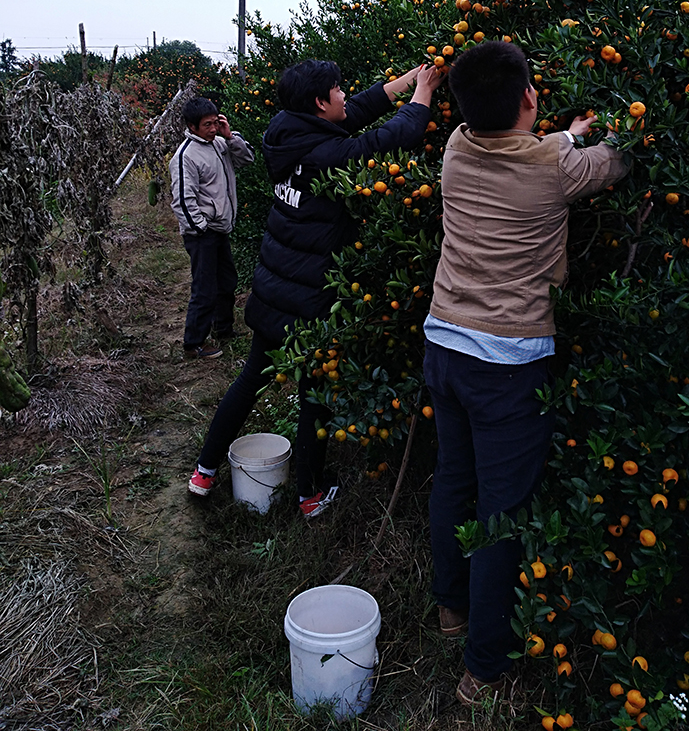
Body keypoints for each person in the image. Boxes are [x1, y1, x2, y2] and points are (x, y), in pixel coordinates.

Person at [422, 40, 629, 706]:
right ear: (530, 99)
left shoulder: (456, 147)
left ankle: (450, 609)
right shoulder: (553, 170)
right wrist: (604, 130)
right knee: (500, 514)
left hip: (444, 348)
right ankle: (482, 668)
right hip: (506, 366)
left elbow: (537, 149)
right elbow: (613, 161)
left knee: (454, 480)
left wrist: (563, 134)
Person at [188, 59, 446, 512]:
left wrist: (406, 82)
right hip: (309, 299)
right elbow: (386, 138)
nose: (345, 94)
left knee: (250, 379)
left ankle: (204, 472)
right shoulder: (326, 156)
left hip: (273, 288)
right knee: (315, 394)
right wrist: (421, 98)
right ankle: (309, 495)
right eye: (337, 89)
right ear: (318, 102)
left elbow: (355, 113)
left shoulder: (285, 133)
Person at [169, 97, 255, 360]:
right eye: (207, 125)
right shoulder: (185, 156)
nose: (213, 128)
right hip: (202, 233)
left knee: (226, 281)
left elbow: (247, 159)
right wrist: (201, 228)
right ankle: (193, 345)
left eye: (216, 122)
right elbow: (183, 200)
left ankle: (223, 328)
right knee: (204, 288)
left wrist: (231, 137)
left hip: (219, 229)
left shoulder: (220, 144)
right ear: (192, 127)